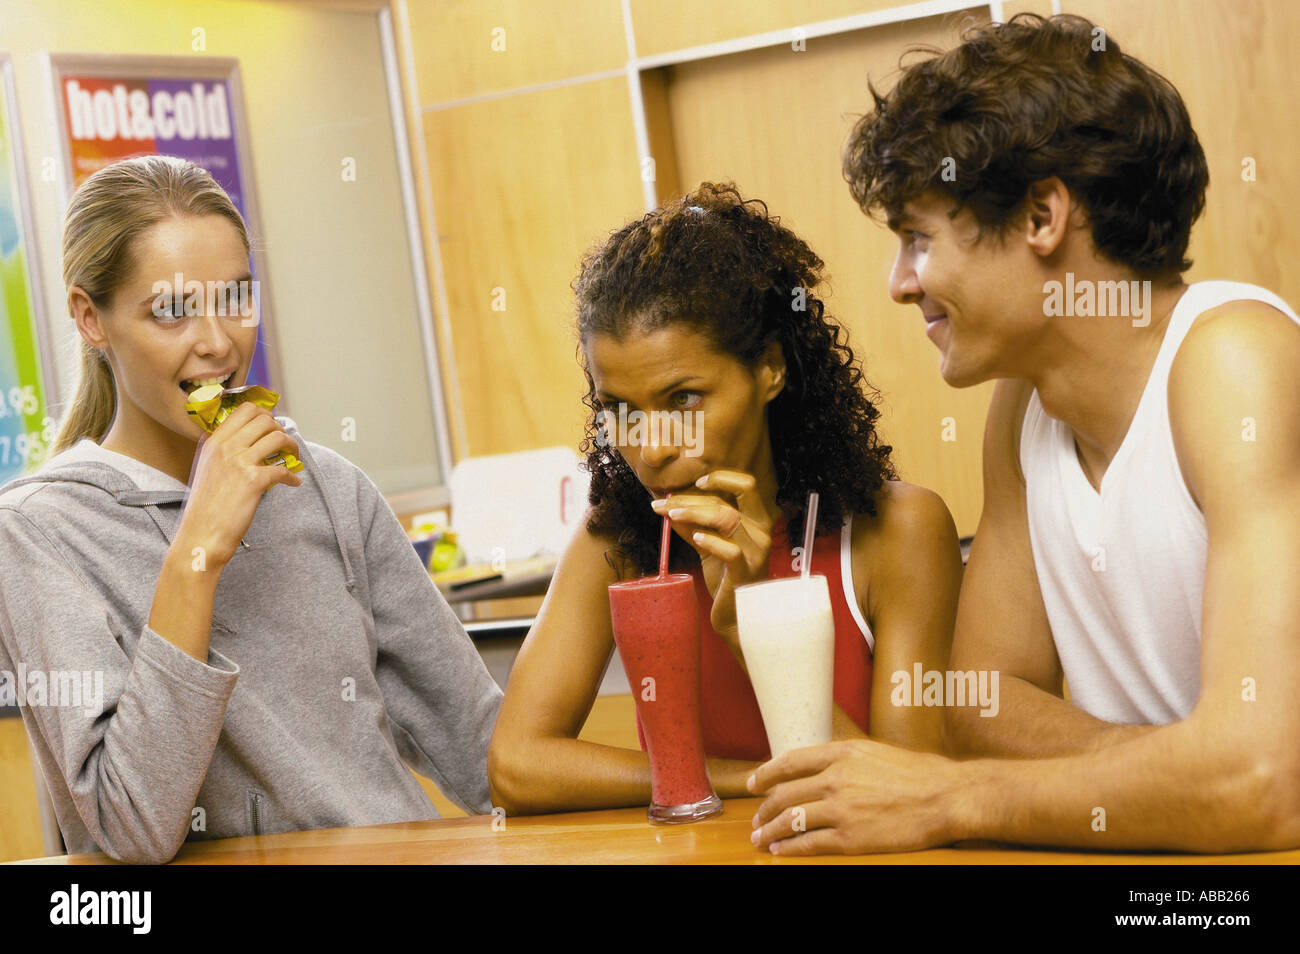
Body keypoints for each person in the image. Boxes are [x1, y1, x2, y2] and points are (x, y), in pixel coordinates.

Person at [750, 13, 1300, 855]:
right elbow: (980, 704)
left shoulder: (1236, 365)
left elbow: (1261, 784)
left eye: (917, 239)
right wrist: (1184, 768)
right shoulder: (1023, 411)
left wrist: (949, 800)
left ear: (1044, 213)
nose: (900, 285)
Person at [0, 155, 502, 863]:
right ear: (91, 319)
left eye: (235, 298)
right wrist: (197, 551)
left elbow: (485, 749)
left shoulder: (328, 485)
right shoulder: (38, 533)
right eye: (171, 310)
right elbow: (132, 830)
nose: (218, 341)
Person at [488, 182, 963, 815]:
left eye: (684, 399)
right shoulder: (618, 541)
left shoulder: (896, 532)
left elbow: (909, 797)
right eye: (620, 410)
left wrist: (749, 626)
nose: (652, 449)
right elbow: (518, 768)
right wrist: (731, 779)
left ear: (769, 369)